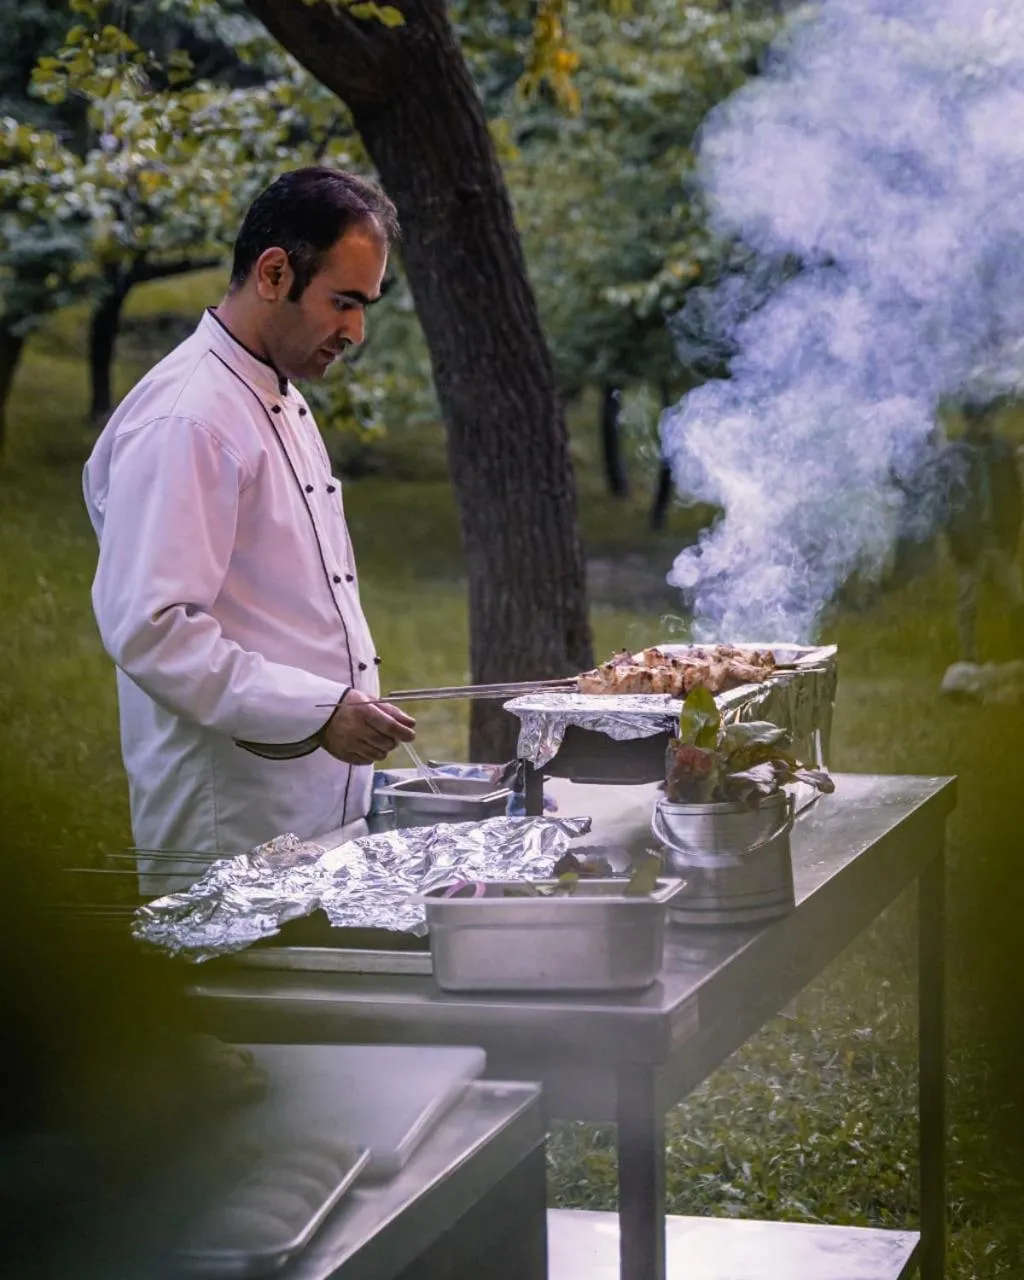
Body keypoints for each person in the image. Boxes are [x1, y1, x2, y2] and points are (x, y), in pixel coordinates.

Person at [84, 167, 416, 894]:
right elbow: (152, 629)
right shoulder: (189, 418)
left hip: (310, 822)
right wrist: (319, 709)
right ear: (274, 274)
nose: (356, 331)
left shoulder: (276, 395)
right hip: (228, 837)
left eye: (367, 307)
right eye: (344, 302)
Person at [942, 398, 1024, 664]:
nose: (985, 425)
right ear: (970, 422)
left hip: (998, 539)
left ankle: (1017, 652)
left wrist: (1011, 532)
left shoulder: (1002, 451)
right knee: (968, 605)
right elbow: (949, 505)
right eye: (980, 420)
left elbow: (1014, 494)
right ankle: (969, 656)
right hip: (969, 543)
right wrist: (957, 540)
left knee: (1016, 598)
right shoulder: (956, 456)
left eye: (989, 419)